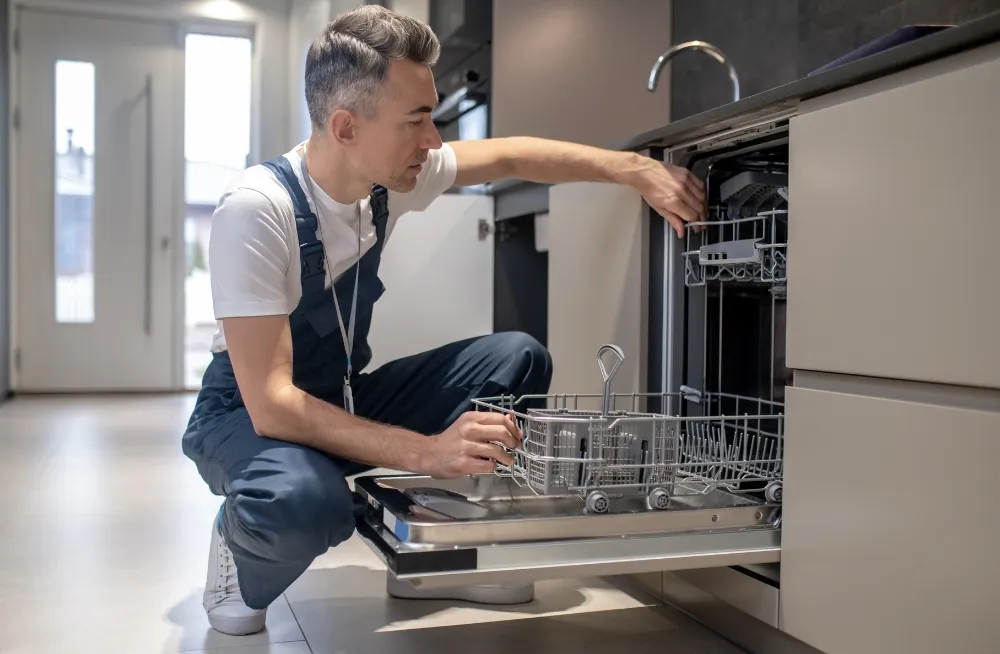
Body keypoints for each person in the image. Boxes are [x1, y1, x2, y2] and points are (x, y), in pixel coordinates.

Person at [181, 4, 706, 637]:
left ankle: (442, 557)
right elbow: (272, 406)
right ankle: (241, 541)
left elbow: (511, 155)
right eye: (418, 120)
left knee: (516, 358)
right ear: (345, 126)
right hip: (246, 415)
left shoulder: (389, 181)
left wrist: (633, 168)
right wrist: (426, 452)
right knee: (303, 503)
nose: (433, 140)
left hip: (338, 395)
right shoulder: (255, 212)